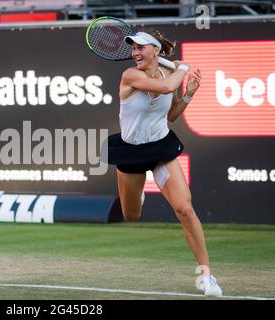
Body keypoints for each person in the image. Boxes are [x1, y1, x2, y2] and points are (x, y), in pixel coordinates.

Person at [107, 29, 223, 297]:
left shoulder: (167, 75)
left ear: (156, 51)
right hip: (132, 151)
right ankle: (138, 193)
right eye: (133, 48)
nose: (135, 53)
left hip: (161, 147)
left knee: (184, 209)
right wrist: (182, 69)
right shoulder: (130, 76)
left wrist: (189, 95)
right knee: (131, 215)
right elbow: (166, 87)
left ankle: (207, 276)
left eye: (141, 48)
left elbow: (171, 115)